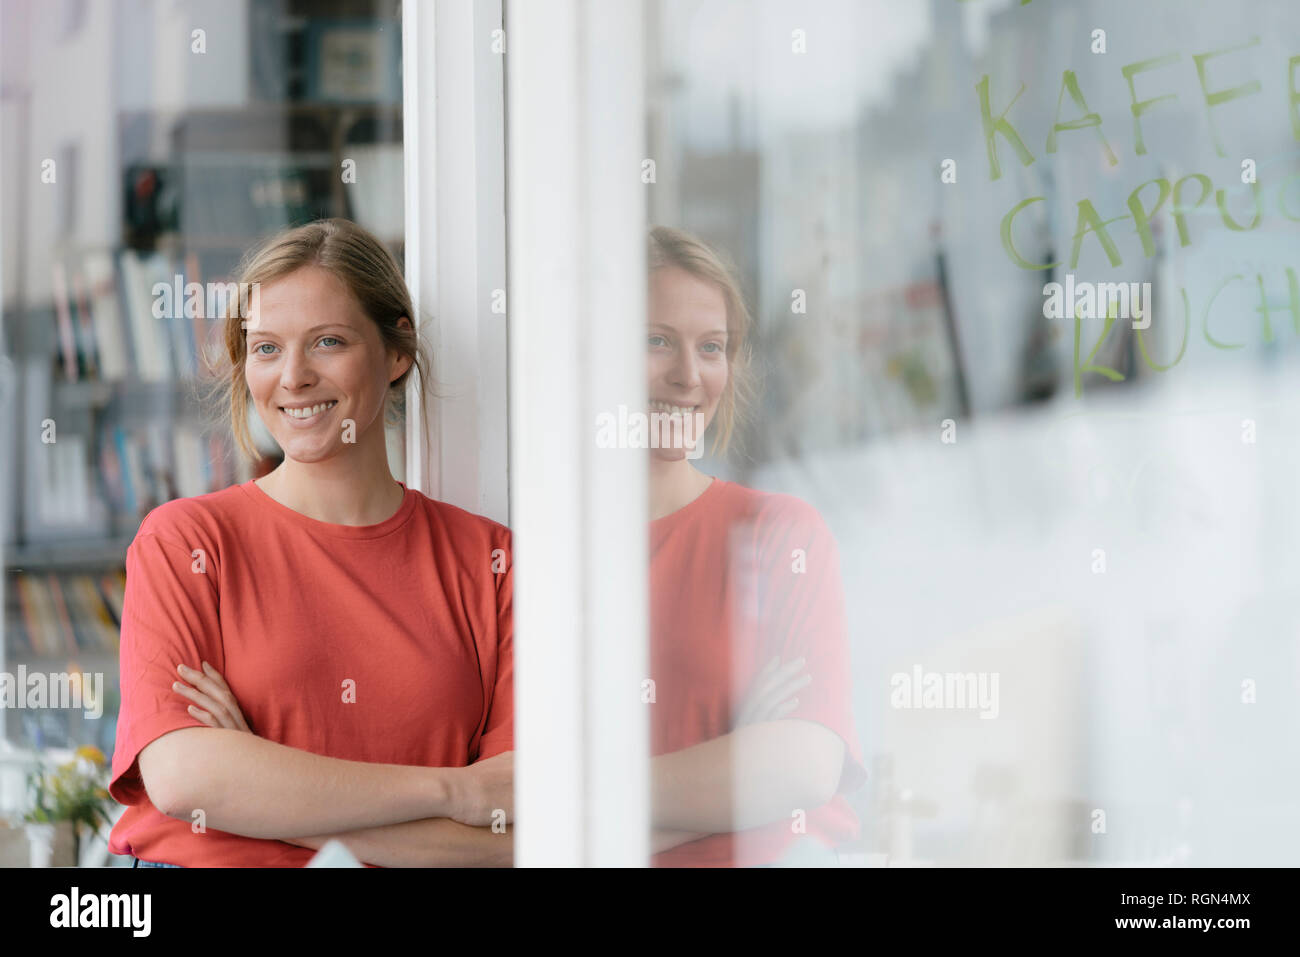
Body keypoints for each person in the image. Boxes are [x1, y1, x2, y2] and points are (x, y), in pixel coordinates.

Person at [107, 218, 514, 867]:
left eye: (327, 341)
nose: (292, 377)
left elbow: (507, 838)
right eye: (266, 348)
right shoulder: (187, 541)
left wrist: (265, 787)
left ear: (397, 350)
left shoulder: (493, 563)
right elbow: (187, 779)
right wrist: (451, 789)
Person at [642, 225, 867, 867]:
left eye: (711, 347)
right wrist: (731, 759)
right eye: (657, 341)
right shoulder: (542, 560)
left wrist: (595, 803)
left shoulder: (780, 535)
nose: (689, 375)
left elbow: (801, 768)